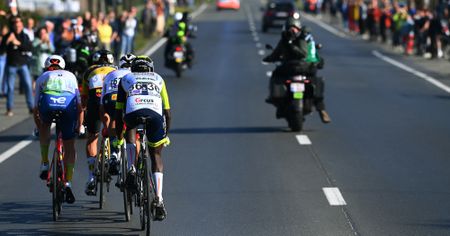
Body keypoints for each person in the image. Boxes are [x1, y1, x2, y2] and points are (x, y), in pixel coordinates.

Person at [115, 56, 171, 221]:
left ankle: (131, 169)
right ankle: (159, 200)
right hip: (155, 116)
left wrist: (120, 136)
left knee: (130, 132)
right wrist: (165, 135)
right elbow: (167, 111)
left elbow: (118, 112)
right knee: (156, 155)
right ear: (150, 68)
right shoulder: (158, 78)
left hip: (134, 112)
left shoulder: (126, 78)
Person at [33, 55, 83, 204]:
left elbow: (35, 109)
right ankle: (68, 181)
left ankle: (44, 162)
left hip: (48, 104)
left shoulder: (42, 77)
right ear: (63, 66)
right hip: (67, 106)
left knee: (45, 125)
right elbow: (79, 105)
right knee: (69, 145)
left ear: (47, 66)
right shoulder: (71, 76)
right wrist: (79, 126)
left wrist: (39, 127)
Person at [262, 16, 331, 123]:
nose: (293, 30)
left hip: (299, 69)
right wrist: (269, 58)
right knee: (277, 76)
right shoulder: (293, 39)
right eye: (291, 28)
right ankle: (321, 110)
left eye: (294, 28)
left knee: (315, 83)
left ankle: (321, 110)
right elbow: (276, 54)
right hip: (297, 69)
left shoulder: (300, 39)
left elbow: (305, 54)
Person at [81, 49, 117, 195]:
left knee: (92, 137)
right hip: (111, 100)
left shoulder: (89, 71)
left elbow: (84, 97)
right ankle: (115, 153)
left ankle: (91, 177)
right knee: (114, 123)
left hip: (95, 101)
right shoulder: (116, 70)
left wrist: (83, 113)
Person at [100, 53, 135, 175]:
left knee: (114, 119)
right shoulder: (135, 75)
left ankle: (114, 151)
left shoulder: (111, 73)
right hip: (127, 98)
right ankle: (136, 161)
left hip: (109, 98)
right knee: (134, 131)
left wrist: (104, 115)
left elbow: (103, 95)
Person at [1, 16, 33, 116]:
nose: (18, 27)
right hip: (11, 65)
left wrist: (17, 43)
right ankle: (9, 108)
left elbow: (28, 48)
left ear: (22, 26)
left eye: (19, 25)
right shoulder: (8, 35)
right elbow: (1, 51)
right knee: (10, 88)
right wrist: (7, 42)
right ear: (13, 26)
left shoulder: (24, 36)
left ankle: (31, 107)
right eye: (16, 25)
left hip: (22, 64)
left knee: (28, 85)